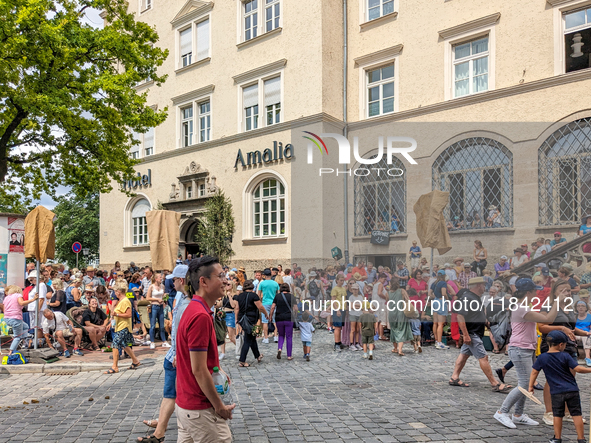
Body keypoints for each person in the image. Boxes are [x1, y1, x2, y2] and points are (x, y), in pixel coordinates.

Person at [173, 256, 234, 442]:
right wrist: (219, 407)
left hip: (187, 406)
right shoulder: (199, 315)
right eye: (221, 275)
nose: (226, 280)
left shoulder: (195, 308)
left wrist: (217, 369)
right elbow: (198, 369)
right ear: (204, 281)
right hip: (200, 409)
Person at [493, 278, 563, 429]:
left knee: (525, 383)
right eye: (534, 290)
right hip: (520, 349)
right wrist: (557, 301)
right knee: (524, 384)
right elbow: (548, 319)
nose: (537, 293)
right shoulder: (521, 308)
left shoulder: (523, 306)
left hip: (526, 348)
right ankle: (502, 412)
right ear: (528, 292)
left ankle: (518, 414)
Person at [138, 264, 190, 443]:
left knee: (178, 392)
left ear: (181, 280)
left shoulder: (190, 300)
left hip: (179, 355)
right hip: (174, 353)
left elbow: (186, 331)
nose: (172, 283)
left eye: (174, 280)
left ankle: (160, 430)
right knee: (170, 392)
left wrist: (179, 352)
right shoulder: (180, 296)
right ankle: (160, 427)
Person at [449, 277, 511, 392]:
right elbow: (460, 316)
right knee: (483, 357)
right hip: (472, 333)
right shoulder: (468, 298)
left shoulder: (475, 298)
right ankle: (495, 383)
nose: (485, 287)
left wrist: (486, 323)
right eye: (483, 285)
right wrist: (466, 335)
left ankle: (454, 377)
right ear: (478, 286)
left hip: (474, 332)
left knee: (464, 355)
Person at [529, 330, 591, 443]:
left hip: (556, 392)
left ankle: (557, 438)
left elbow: (534, 372)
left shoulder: (542, 357)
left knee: (557, 415)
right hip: (572, 390)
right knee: (576, 414)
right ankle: (581, 439)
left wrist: (530, 386)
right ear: (561, 344)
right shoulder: (565, 356)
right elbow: (577, 369)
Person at [104, 282, 141, 373]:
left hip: (123, 326)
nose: (114, 293)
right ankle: (135, 361)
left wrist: (116, 314)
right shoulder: (121, 300)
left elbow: (128, 314)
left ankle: (115, 366)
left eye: (115, 291)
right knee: (125, 344)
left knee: (115, 344)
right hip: (120, 325)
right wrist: (110, 324)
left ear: (119, 292)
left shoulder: (125, 301)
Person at [235, 280, 268, 367]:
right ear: (252, 287)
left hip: (242, 319)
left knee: (252, 337)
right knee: (247, 339)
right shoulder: (254, 296)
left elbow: (237, 308)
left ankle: (257, 356)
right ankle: (242, 361)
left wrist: (236, 319)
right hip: (250, 319)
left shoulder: (240, 296)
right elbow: (260, 307)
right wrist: (266, 314)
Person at [3, 286, 38, 355]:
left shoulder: (6, 297)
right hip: (16, 318)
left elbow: (4, 309)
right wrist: (33, 299)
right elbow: (21, 303)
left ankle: (24, 341)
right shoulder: (18, 295)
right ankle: (11, 352)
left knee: (25, 326)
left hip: (7, 318)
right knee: (17, 337)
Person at [269, 283, 298, 360]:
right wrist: (295, 315)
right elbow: (295, 308)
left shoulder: (277, 296)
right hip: (289, 318)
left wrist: (270, 317)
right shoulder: (291, 297)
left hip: (279, 318)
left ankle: (279, 348)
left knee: (281, 335)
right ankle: (289, 355)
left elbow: (272, 307)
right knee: (289, 337)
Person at [388, 279, 413, 356]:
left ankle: (395, 348)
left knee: (394, 329)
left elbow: (387, 301)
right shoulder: (402, 291)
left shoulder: (388, 292)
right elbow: (408, 299)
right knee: (401, 330)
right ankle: (400, 350)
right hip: (400, 312)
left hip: (391, 313)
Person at [257, 269, 280, 344]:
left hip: (265, 303)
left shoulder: (262, 283)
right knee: (274, 320)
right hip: (274, 302)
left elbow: (259, 294)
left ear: (264, 275)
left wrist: (259, 303)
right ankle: (276, 336)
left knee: (265, 321)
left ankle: (266, 337)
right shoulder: (275, 283)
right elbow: (278, 294)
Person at [146, 273, 168, 349]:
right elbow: (148, 298)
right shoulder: (151, 287)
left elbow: (162, 295)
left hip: (161, 306)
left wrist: (164, 297)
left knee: (162, 325)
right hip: (154, 306)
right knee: (152, 325)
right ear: (156, 279)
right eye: (160, 277)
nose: (161, 278)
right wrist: (156, 299)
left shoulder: (162, 286)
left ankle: (164, 341)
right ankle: (152, 342)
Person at [430, 271, 449, 350]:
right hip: (441, 301)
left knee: (435, 323)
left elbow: (429, 293)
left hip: (435, 301)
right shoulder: (443, 283)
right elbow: (444, 293)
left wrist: (435, 297)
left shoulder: (434, 283)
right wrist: (447, 299)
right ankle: (440, 342)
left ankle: (436, 340)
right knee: (441, 324)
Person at [331, 274, 348, 351]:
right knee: (337, 327)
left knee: (340, 327)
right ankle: (336, 343)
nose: (342, 282)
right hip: (337, 309)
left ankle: (339, 341)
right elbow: (333, 300)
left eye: (343, 280)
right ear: (337, 280)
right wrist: (337, 309)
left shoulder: (343, 289)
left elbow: (344, 299)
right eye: (340, 280)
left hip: (343, 309)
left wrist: (346, 308)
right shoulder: (335, 289)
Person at [347, 283, 364, 351]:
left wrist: (355, 305)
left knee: (357, 330)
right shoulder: (351, 297)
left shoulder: (360, 297)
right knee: (353, 329)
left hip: (359, 314)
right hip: (353, 314)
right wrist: (358, 305)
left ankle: (357, 343)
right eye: (353, 289)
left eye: (356, 289)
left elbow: (362, 306)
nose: (355, 291)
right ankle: (351, 344)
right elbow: (351, 307)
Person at [574, 301, 591, 366]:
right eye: (578, 306)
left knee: (585, 337)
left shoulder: (590, 317)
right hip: (576, 334)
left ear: (586, 308)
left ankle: (587, 357)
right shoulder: (574, 317)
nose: (580, 308)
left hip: (586, 335)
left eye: (583, 306)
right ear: (576, 308)